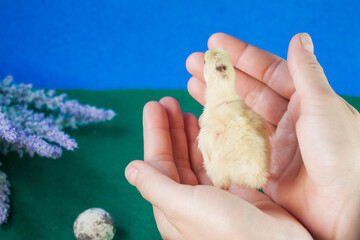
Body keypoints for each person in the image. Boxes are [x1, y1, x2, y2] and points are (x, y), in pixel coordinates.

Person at [125, 33, 360, 239]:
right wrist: (347, 209)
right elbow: (257, 128)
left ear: (209, 73)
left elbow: (218, 142)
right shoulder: (239, 110)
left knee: (211, 141)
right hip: (256, 171)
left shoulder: (217, 113)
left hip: (239, 169)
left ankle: (225, 179)